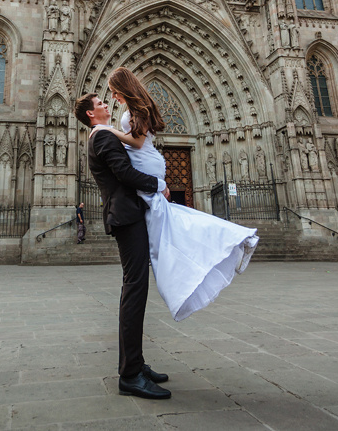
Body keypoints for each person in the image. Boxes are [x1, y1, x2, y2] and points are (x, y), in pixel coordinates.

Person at [104, 67, 259, 322]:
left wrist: (109, 132)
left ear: (123, 87)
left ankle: (230, 242)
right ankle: (223, 244)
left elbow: (138, 142)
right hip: (151, 164)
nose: (112, 97)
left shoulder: (138, 109)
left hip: (146, 164)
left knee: (166, 233)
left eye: (114, 91)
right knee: (169, 226)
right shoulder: (138, 107)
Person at [74, 93, 172, 400]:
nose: (106, 104)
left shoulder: (105, 135)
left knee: (136, 289)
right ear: (91, 114)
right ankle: (129, 374)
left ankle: (136, 363)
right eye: (100, 103)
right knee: (134, 289)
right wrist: (159, 185)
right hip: (126, 216)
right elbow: (125, 174)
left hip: (129, 214)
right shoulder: (101, 138)